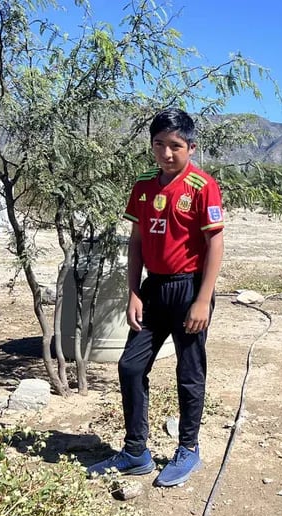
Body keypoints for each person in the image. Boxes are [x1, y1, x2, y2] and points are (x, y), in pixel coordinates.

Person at [87, 108, 225, 487]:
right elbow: (136, 243)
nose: (167, 153)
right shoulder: (144, 186)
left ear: (191, 147)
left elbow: (215, 242)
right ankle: (135, 452)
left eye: (176, 146)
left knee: (189, 371)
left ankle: (189, 448)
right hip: (153, 290)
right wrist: (133, 292)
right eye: (159, 145)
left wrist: (202, 299)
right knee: (130, 367)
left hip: (189, 288)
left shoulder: (202, 186)